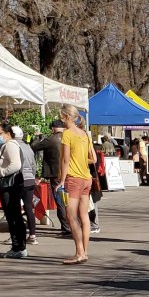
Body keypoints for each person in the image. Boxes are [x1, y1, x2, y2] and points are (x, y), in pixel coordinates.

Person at [57, 103, 96, 264]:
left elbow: (66, 160)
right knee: (84, 215)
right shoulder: (84, 134)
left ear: (66, 117)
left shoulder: (67, 134)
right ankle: (84, 251)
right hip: (87, 178)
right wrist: (80, 160)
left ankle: (79, 252)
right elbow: (93, 158)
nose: (61, 120)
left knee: (71, 215)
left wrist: (61, 180)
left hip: (74, 178)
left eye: (61, 117)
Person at [0, 124, 27, 258]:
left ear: (7, 133)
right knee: (13, 215)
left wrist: (0, 172)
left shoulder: (11, 145)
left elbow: (16, 165)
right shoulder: (6, 145)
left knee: (13, 216)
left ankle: (18, 246)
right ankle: (18, 246)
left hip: (10, 186)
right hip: (9, 186)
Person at [32, 119, 71, 237]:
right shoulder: (69, 137)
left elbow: (34, 146)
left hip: (56, 174)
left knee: (61, 201)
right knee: (70, 200)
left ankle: (66, 227)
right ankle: (73, 225)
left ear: (53, 128)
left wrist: (37, 137)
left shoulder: (50, 139)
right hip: (71, 173)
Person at [14, 125, 39, 244]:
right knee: (29, 207)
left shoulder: (14, 146)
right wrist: (33, 177)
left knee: (15, 208)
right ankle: (33, 235)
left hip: (19, 179)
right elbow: (34, 164)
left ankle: (18, 236)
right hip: (30, 179)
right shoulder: (28, 146)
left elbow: (15, 165)